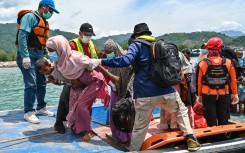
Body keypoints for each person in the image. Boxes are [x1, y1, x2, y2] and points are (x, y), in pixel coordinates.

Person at [87, 23, 201, 151]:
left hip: (144, 94)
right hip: (166, 90)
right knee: (181, 111)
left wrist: (101, 61)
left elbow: (125, 60)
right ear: (149, 34)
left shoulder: (136, 44)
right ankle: (191, 138)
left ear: (136, 35)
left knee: (139, 128)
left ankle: (134, 150)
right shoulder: (158, 45)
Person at [45, 35, 110, 141]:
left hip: (92, 81)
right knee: (72, 104)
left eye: (52, 51)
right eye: (49, 51)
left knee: (82, 106)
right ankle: (78, 127)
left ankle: (88, 131)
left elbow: (96, 65)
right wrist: (55, 81)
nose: (50, 54)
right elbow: (64, 80)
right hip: (78, 84)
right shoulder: (58, 63)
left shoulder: (76, 57)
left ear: (60, 48)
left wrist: (112, 78)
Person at [16, 0, 59, 124]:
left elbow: (42, 43)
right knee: (31, 84)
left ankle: (41, 108)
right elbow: (22, 36)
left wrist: (49, 57)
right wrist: (25, 56)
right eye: (50, 10)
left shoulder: (45, 22)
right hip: (27, 56)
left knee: (42, 83)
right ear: (44, 7)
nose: (51, 13)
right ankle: (28, 112)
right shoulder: (30, 17)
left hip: (39, 57)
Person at [53, 23, 99, 134]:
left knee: (87, 102)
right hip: (73, 77)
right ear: (80, 33)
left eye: (90, 35)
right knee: (66, 94)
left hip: (87, 79)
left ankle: (84, 125)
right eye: (86, 34)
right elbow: (64, 63)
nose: (88, 37)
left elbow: (96, 62)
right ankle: (59, 121)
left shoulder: (92, 46)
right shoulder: (72, 45)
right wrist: (73, 80)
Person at [196, 37, 238, 127]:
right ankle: (223, 137)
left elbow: (199, 82)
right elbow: (233, 81)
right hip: (224, 94)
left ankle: (214, 138)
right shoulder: (228, 62)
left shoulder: (202, 63)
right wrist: (235, 94)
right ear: (220, 48)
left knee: (211, 120)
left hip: (207, 95)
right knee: (224, 119)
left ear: (208, 49)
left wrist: (199, 95)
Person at [100, 38, 133, 143]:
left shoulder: (124, 60)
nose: (108, 55)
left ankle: (123, 137)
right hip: (119, 91)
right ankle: (121, 135)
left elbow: (121, 78)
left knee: (122, 114)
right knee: (120, 114)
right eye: (107, 53)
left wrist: (104, 71)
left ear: (114, 50)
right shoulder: (116, 60)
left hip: (124, 91)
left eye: (109, 52)